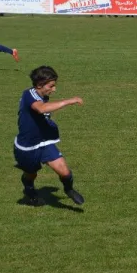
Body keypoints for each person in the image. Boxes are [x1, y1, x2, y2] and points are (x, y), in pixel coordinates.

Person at [14, 66, 85, 206]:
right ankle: (30, 192)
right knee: (31, 174)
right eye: (51, 86)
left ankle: (69, 189)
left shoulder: (43, 95)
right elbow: (41, 109)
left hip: (44, 142)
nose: (54, 89)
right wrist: (68, 101)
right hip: (27, 146)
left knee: (65, 172)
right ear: (40, 85)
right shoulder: (29, 95)